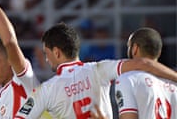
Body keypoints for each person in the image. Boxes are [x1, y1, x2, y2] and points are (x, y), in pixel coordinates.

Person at [15, 23, 177, 119]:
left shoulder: (46, 90)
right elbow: (143, 63)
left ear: (56, 52)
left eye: (46, 53)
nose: (47, 58)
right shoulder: (98, 69)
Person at [115, 27, 177, 119]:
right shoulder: (174, 84)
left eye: (129, 46)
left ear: (135, 48)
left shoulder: (127, 79)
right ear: (159, 52)